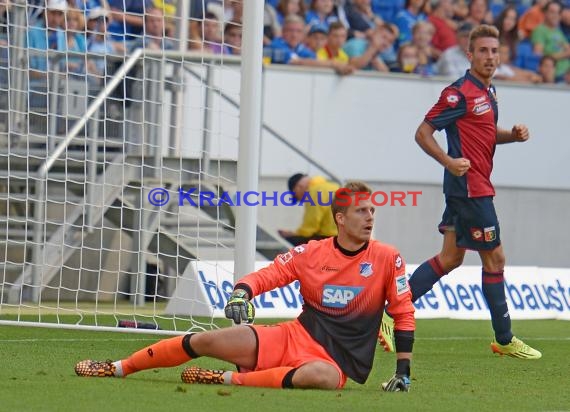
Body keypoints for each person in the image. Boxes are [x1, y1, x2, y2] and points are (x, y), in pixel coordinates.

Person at [74, 181, 416, 392]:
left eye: (372, 210)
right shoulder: (311, 252)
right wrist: (242, 292)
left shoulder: (387, 257)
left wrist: (403, 372)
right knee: (206, 339)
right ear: (340, 218)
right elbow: (265, 276)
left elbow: (403, 312)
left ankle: (225, 379)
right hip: (292, 338)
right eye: (361, 211)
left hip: (336, 363)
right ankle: (118, 368)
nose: (370, 217)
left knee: (321, 379)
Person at [379, 24, 542, 360]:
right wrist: (448, 161)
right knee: (495, 258)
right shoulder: (458, 93)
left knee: (451, 257)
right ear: (470, 55)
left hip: (469, 186)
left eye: (494, 51)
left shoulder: (490, 91)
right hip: (471, 188)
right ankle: (505, 338)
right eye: (483, 51)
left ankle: (386, 312)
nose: (490, 57)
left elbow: (484, 134)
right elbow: (423, 133)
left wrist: (512, 134)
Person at [278, 173, 339, 246]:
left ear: (298, 188)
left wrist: (293, 234)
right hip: (343, 235)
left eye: (297, 197)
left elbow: (311, 224)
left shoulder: (314, 192)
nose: (301, 200)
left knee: (291, 241)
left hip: (331, 238)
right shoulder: (334, 186)